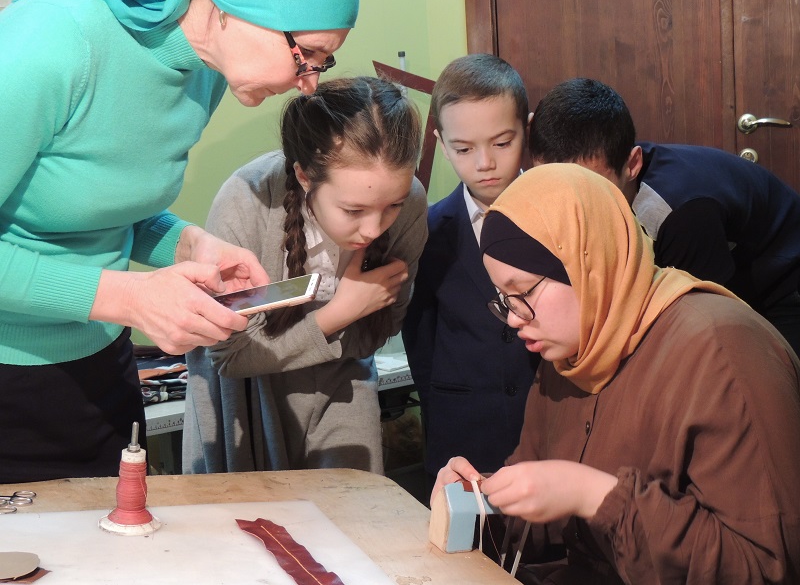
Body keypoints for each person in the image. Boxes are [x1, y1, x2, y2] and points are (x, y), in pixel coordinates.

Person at [0, 0, 360, 483]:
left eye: (323, 61)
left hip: (101, 370)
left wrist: (190, 245)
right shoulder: (52, 39)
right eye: (305, 54)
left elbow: (99, 205)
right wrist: (128, 297)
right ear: (231, 5)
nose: (308, 84)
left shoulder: (206, 72)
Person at [434, 163, 800, 584]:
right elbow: (540, 516)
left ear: (588, 264)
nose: (514, 318)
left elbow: (767, 567)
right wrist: (478, 502)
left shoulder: (723, 350)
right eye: (504, 299)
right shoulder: (572, 352)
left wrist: (595, 495)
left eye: (523, 292)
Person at [183, 76, 428, 475]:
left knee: (352, 507)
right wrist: (340, 313)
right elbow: (231, 356)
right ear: (304, 176)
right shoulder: (246, 201)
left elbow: (378, 331)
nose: (373, 229)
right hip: (248, 399)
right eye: (353, 210)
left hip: (343, 386)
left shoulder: (411, 202)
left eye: (392, 206)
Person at [528, 77, 800, 356]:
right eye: (552, 186)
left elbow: (707, 320)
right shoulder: (603, 172)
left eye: (590, 188)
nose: (572, 207)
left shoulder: (680, 213)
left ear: (632, 164)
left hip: (783, 280)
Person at [401, 54, 539, 492]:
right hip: (461, 441)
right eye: (463, 149)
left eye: (501, 143)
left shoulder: (561, 218)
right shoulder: (427, 231)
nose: (484, 163)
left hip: (549, 432)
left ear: (527, 130)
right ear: (442, 144)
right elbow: (421, 338)